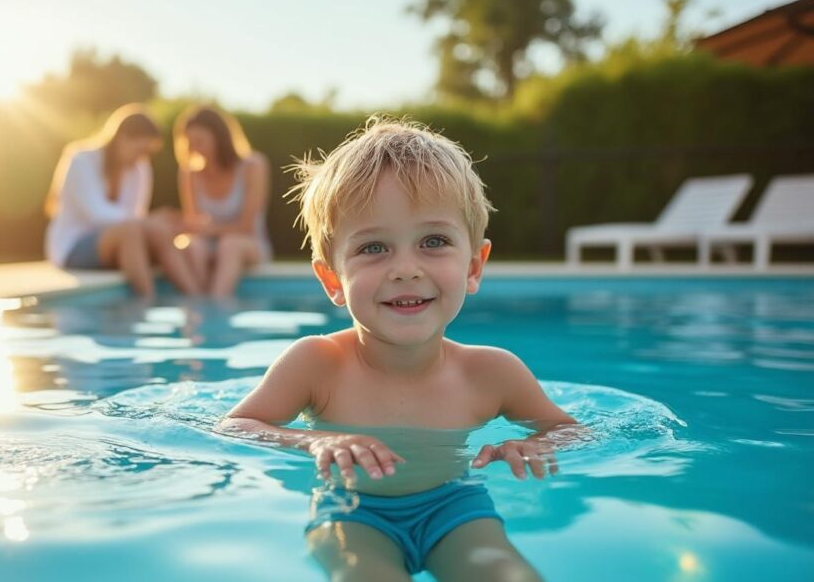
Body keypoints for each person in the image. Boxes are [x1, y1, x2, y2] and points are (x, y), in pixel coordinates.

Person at [219, 118, 579, 581]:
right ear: (333, 279)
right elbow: (236, 426)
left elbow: (570, 430)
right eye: (373, 247)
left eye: (433, 241)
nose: (406, 269)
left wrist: (530, 444)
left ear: (473, 266)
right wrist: (314, 440)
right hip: (350, 510)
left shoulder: (491, 373)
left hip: (456, 508)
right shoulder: (317, 364)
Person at [45, 104, 201, 297]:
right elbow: (97, 214)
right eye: (140, 150)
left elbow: (136, 215)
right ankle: (146, 300)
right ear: (121, 139)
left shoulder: (140, 167)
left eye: (147, 152)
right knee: (131, 231)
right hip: (73, 248)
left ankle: (196, 298)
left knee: (159, 231)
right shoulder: (81, 160)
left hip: (120, 244)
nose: (142, 157)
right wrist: (148, 221)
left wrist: (162, 224)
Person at [173, 106, 272, 297]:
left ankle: (217, 305)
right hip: (206, 246)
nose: (195, 149)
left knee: (229, 245)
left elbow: (247, 226)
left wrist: (209, 228)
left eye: (200, 141)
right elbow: (193, 223)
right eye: (190, 143)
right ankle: (196, 304)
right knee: (192, 246)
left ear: (219, 139)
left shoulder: (253, 166)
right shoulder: (189, 174)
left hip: (248, 244)